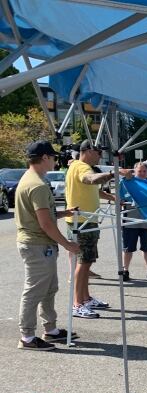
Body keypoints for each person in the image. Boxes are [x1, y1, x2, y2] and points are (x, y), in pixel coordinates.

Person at [15, 141, 81, 350]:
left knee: (49, 289)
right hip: (37, 245)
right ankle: (26, 337)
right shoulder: (37, 185)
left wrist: (64, 212)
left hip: (39, 244)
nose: (55, 161)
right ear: (44, 158)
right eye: (53, 157)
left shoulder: (32, 180)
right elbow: (45, 224)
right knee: (35, 291)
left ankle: (50, 329)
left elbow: (42, 215)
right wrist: (67, 244)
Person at [65, 139, 131, 318]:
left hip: (86, 221)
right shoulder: (82, 167)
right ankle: (77, 304)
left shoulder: (78, 166)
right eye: (98, 152)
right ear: (86, 151)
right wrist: (113, 173)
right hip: (82, 222)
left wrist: (113, 198)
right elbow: (90, 180)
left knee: (87, 262)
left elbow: (94, 189)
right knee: (83, 262)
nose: (100, 155)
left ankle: (85, 299)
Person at [120, 162, 147, 281]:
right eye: (140, 171)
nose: (142, 173)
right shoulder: (125, 183)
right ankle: (125, 270)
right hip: (130, 220)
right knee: (128, 248)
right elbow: (118, 198)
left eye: (144, 171)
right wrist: (120, 202)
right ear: (134, 171)